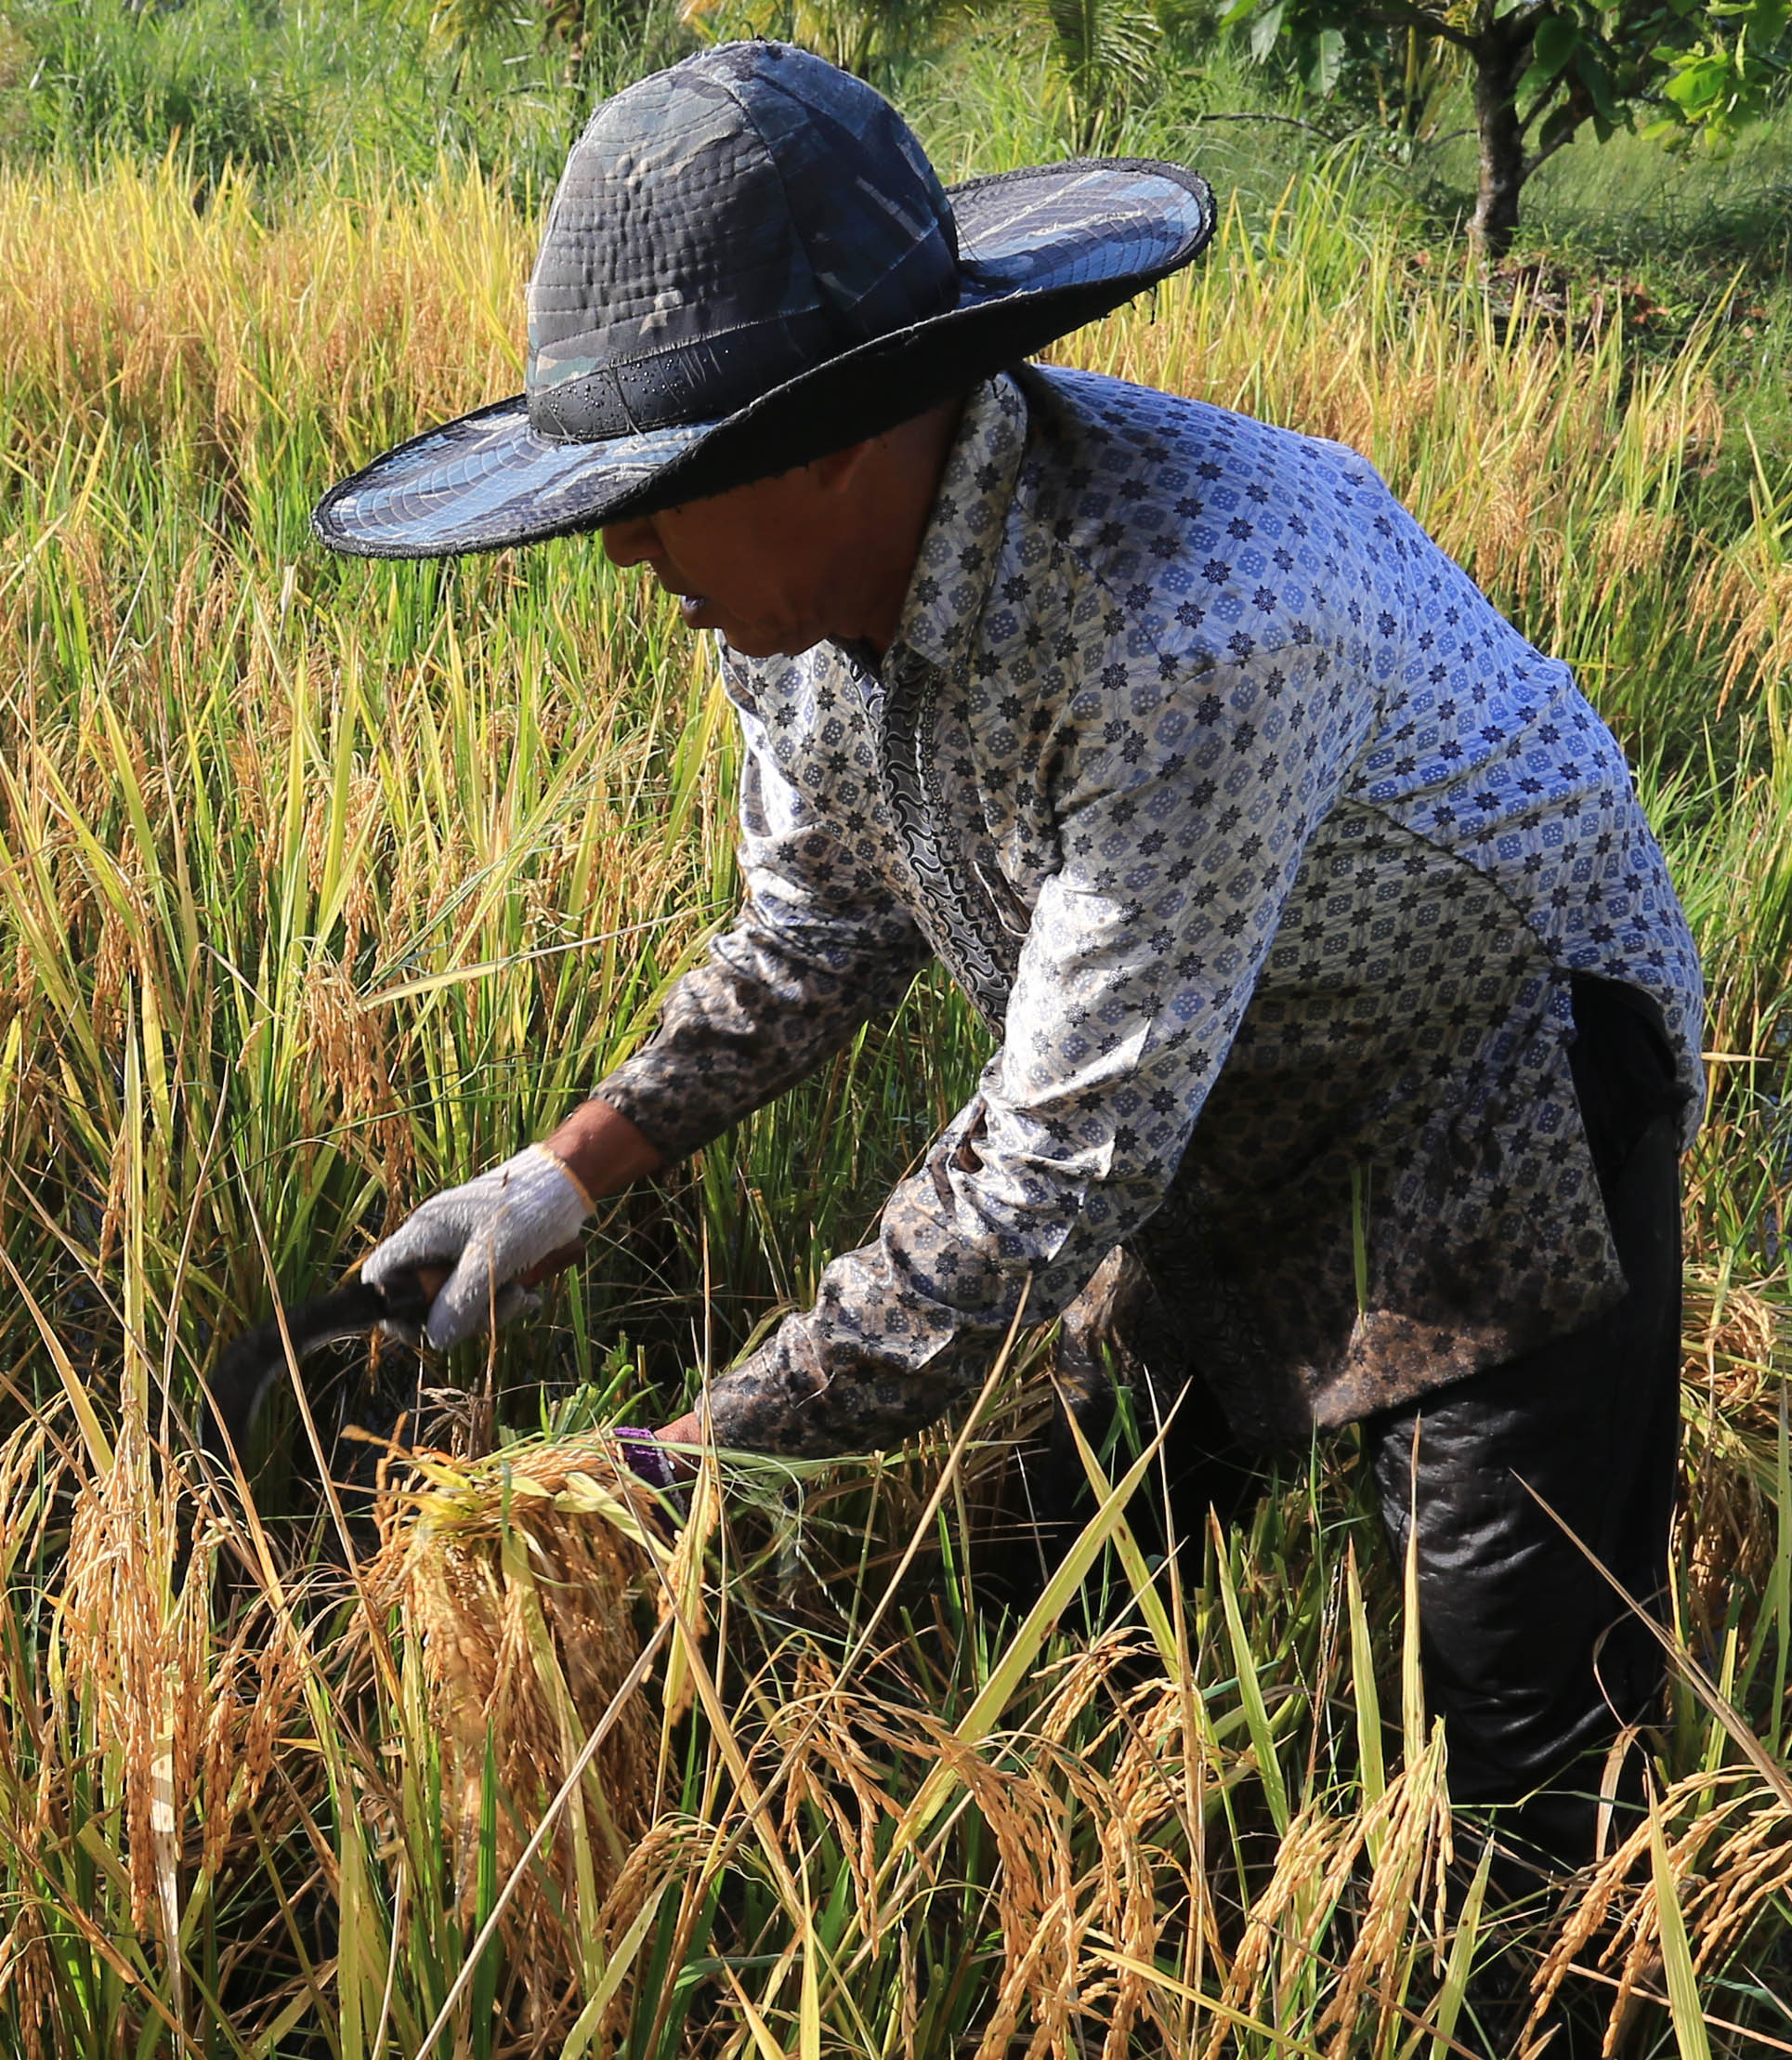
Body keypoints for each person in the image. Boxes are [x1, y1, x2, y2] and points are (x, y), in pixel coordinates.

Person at [319, 42, 1703, 1877]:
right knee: (1050, 1570)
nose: (627, 547)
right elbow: (819, 924)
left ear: (824, 449)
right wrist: (565, 1174)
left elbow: (1048, 1171)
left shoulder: (1195, 632)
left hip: (1495, 1077)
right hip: (1213, 1088)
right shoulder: (792, 608)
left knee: (1510, 1710)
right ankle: (1113, 1914)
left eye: (659, 492)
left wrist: (684, 1465)